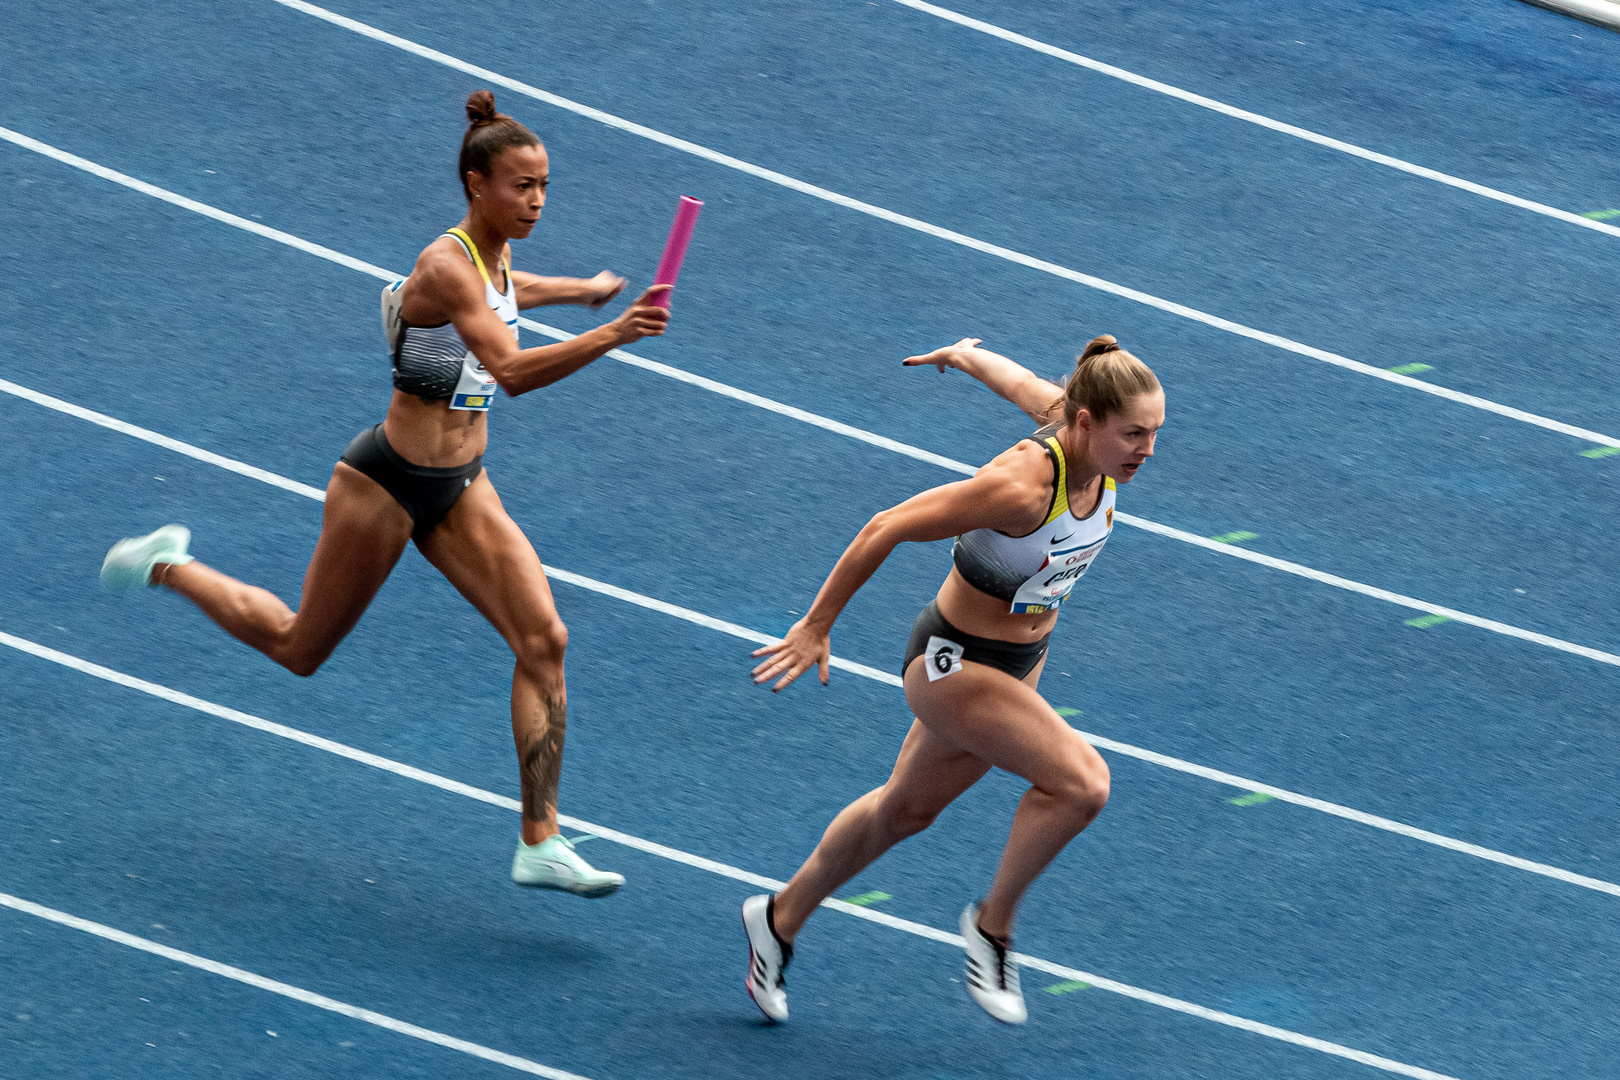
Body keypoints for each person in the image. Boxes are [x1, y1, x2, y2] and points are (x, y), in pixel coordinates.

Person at [101, 90, 672, 898]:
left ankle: (538, 839)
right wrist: (612, 335)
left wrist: (579, 290)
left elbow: (511, 291)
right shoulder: (447, 264)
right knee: (301, 650)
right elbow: (509, 371)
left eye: (545, 185)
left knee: (545, 640)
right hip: (387, 483)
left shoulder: (496, 254)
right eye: (521, 186)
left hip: (462, 484)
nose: (537, 200)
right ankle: (171, 566)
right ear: (477, 184)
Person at [742, 335, 1163, 1024]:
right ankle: (992, 929)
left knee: (904, 811)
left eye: (1155, 433)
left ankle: (778, 918)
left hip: (1019, 667)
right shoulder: (1022, 487)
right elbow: (888, 525)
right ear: (1087, 423)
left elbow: (1019, 379)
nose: (1146, 450)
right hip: (954, 663)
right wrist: (817, 625)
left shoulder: (1087, 435)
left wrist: (965, 355)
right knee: (1082, 785)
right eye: (1135, 434)